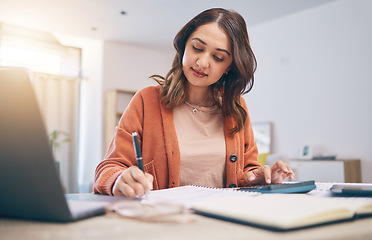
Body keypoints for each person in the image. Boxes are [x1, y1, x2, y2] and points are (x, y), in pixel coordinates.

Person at [94, 8, 294, 198]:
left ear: (228, 67)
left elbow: (246, 171)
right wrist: (119, 179)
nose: (202, 62)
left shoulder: (236, 107)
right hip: (166, 223)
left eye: (218, 57)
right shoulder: (146, 101)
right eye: (197, 48)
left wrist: (260, 177)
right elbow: (108, 169)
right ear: (183, 46)